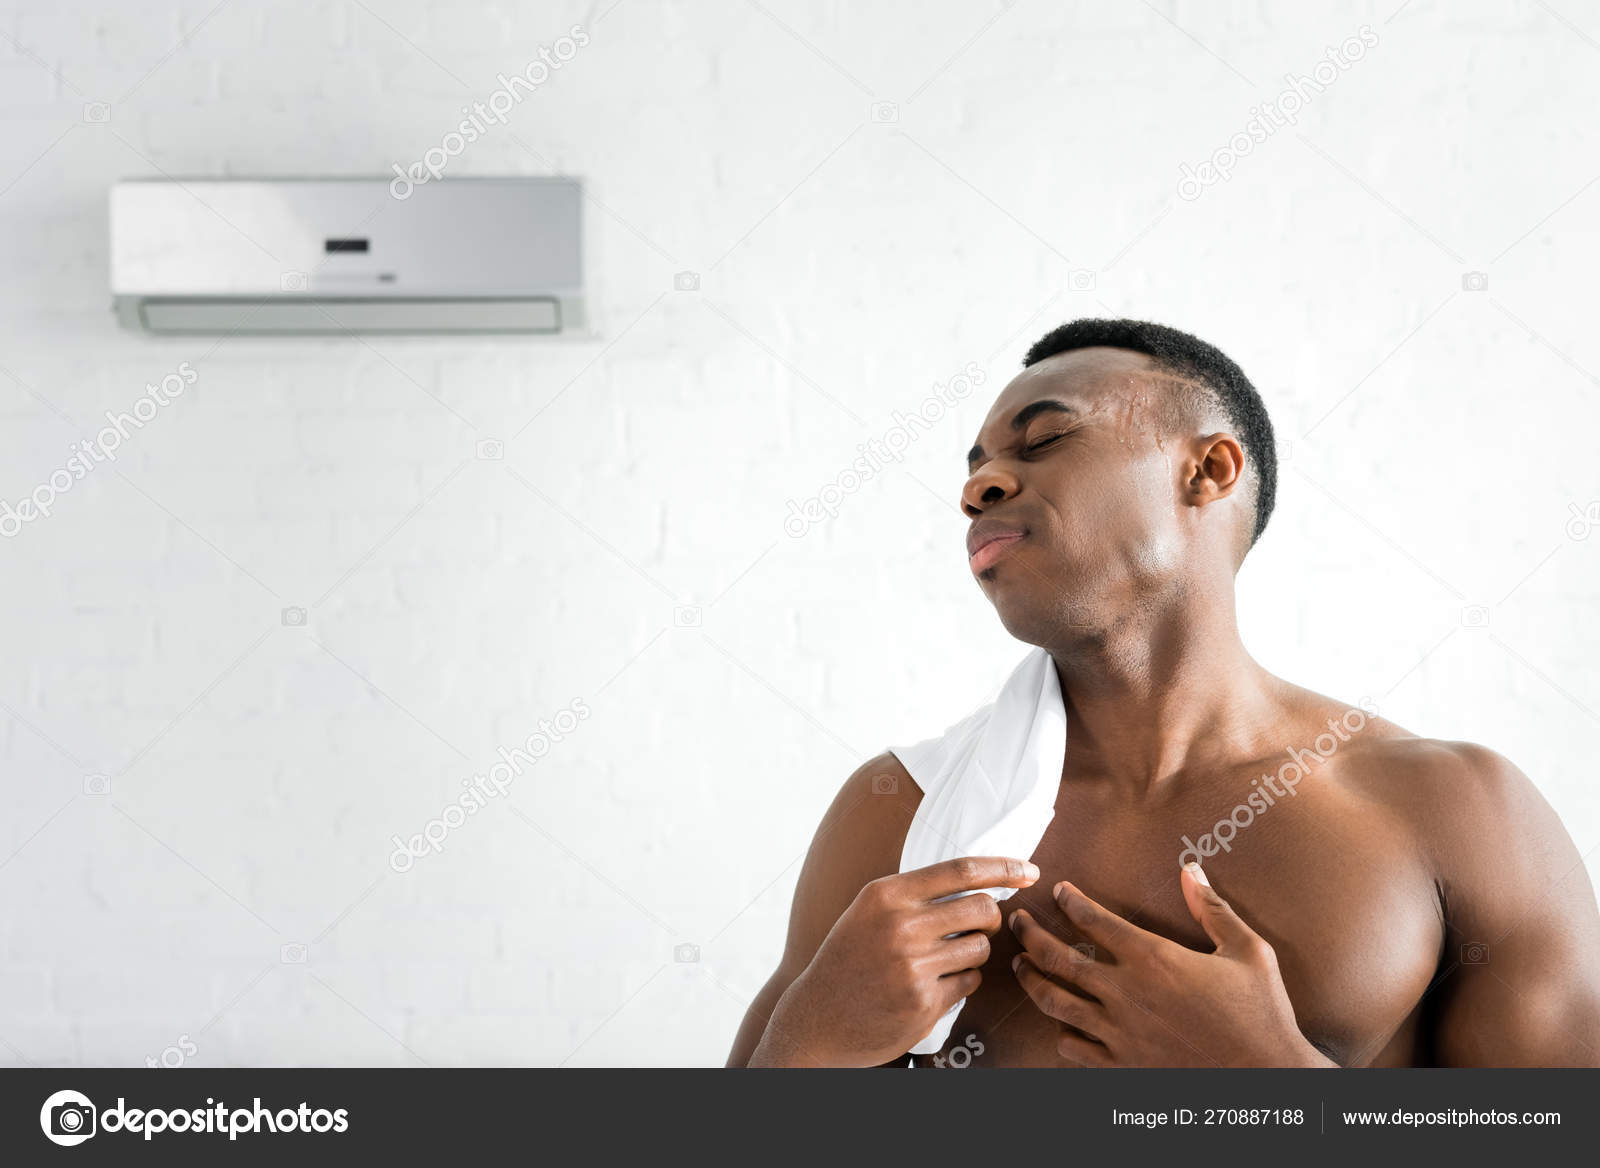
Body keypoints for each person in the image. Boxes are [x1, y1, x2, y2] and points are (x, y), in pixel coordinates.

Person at [727, 318, 1600, 1068]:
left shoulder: (1455, 810)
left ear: (1208, 470)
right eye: (977, 465)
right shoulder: (894, 817)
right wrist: (803, 1047)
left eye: (1044, 440)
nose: (977, 488)